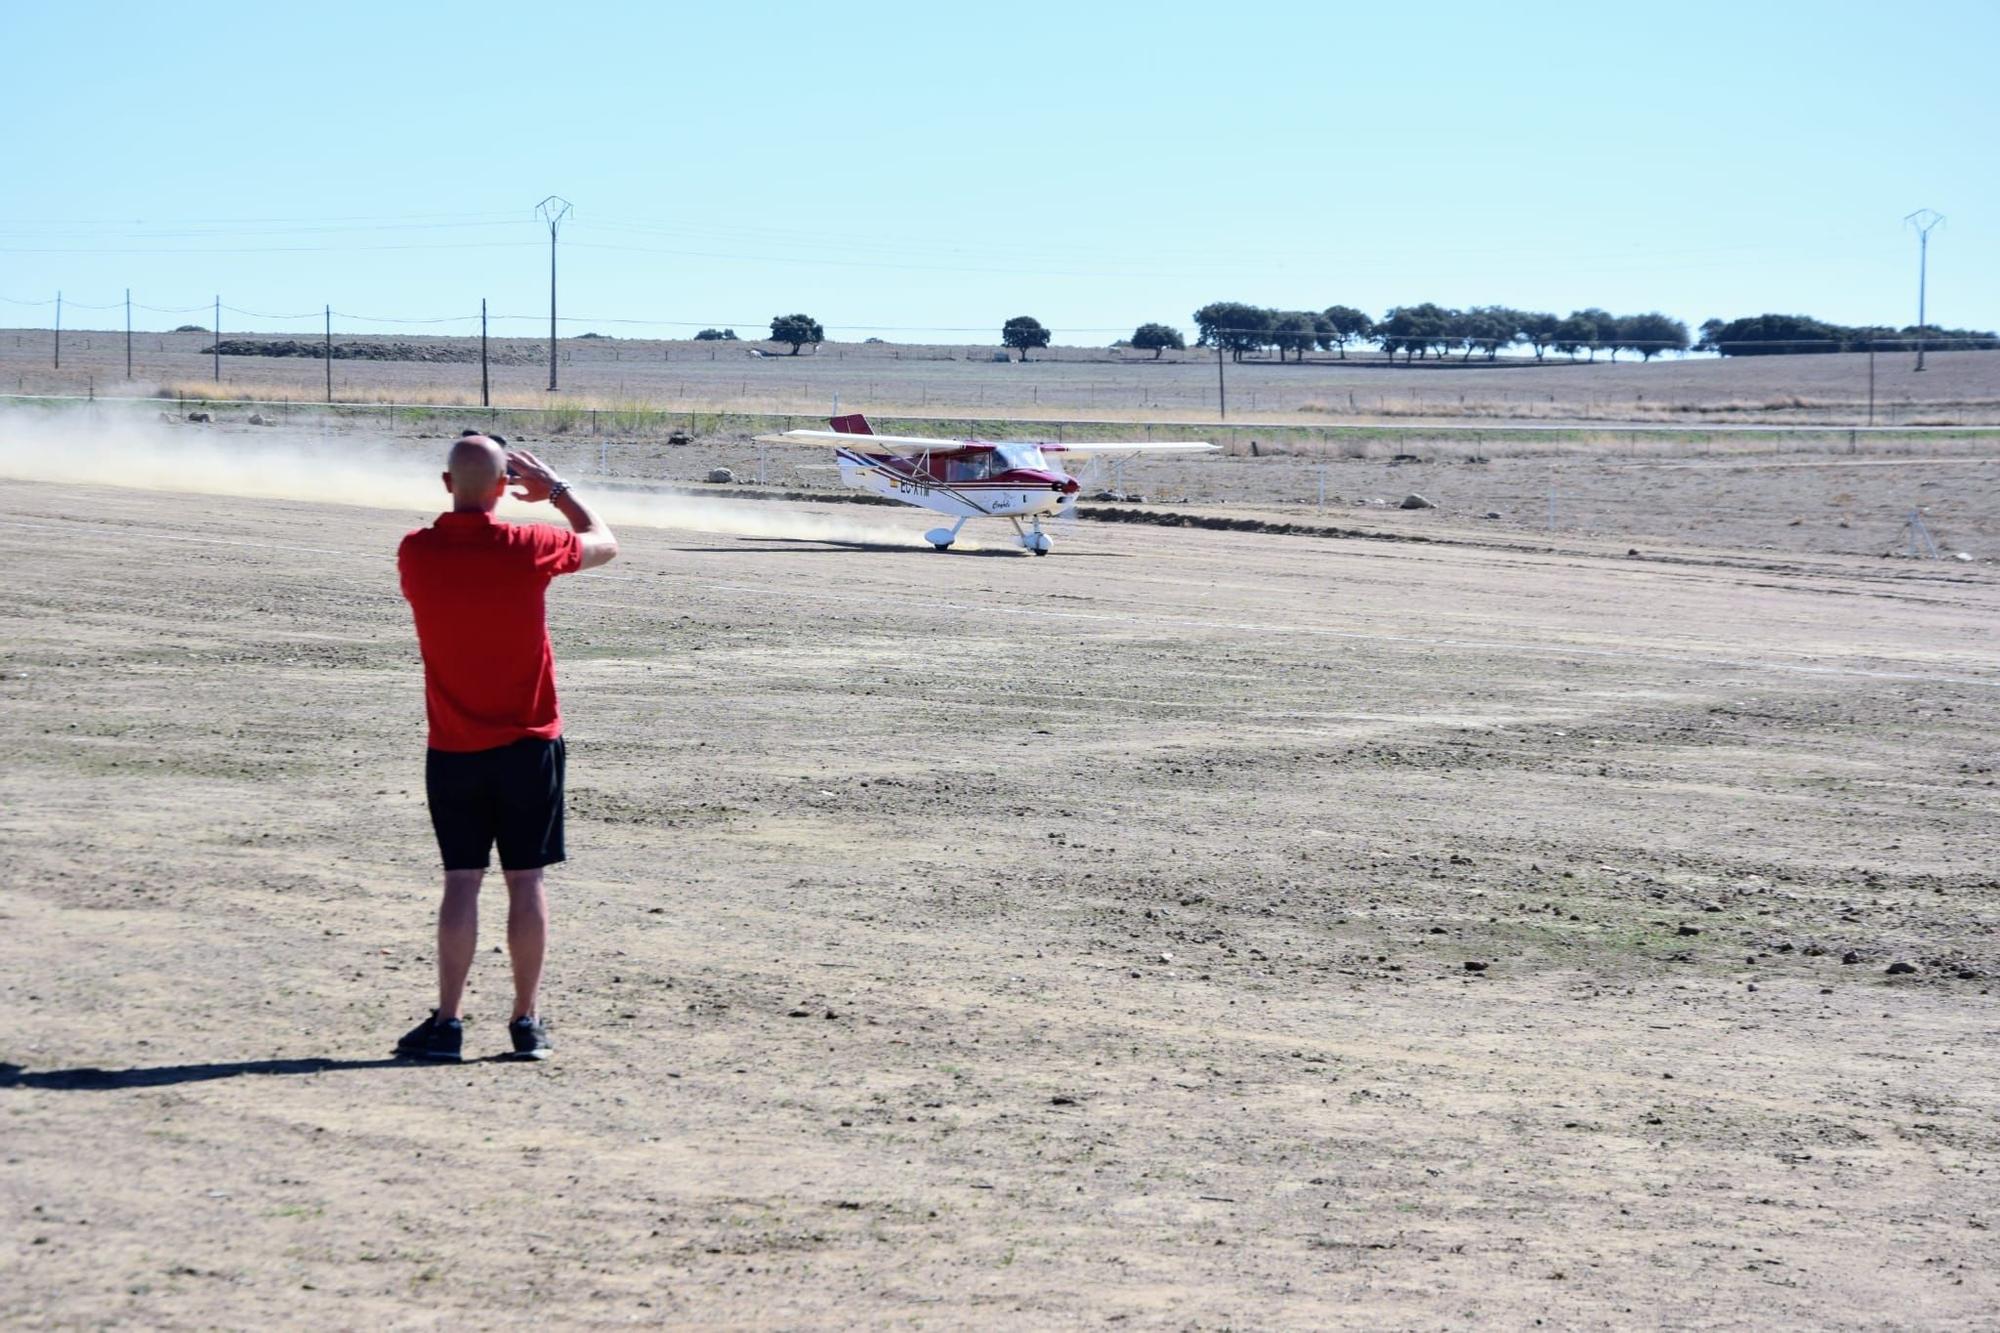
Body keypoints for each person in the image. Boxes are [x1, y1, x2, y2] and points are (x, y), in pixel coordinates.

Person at [393, 431, 618, 1062]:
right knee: (526, 881)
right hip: (529, 743)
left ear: (447, 484)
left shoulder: (416, 552)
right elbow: (605, 541)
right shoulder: (531, 545)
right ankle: (526, 1022)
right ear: (503, 487)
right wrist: (558, 492)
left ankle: (447, 1023)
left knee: (462, 881)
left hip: (453, 747)